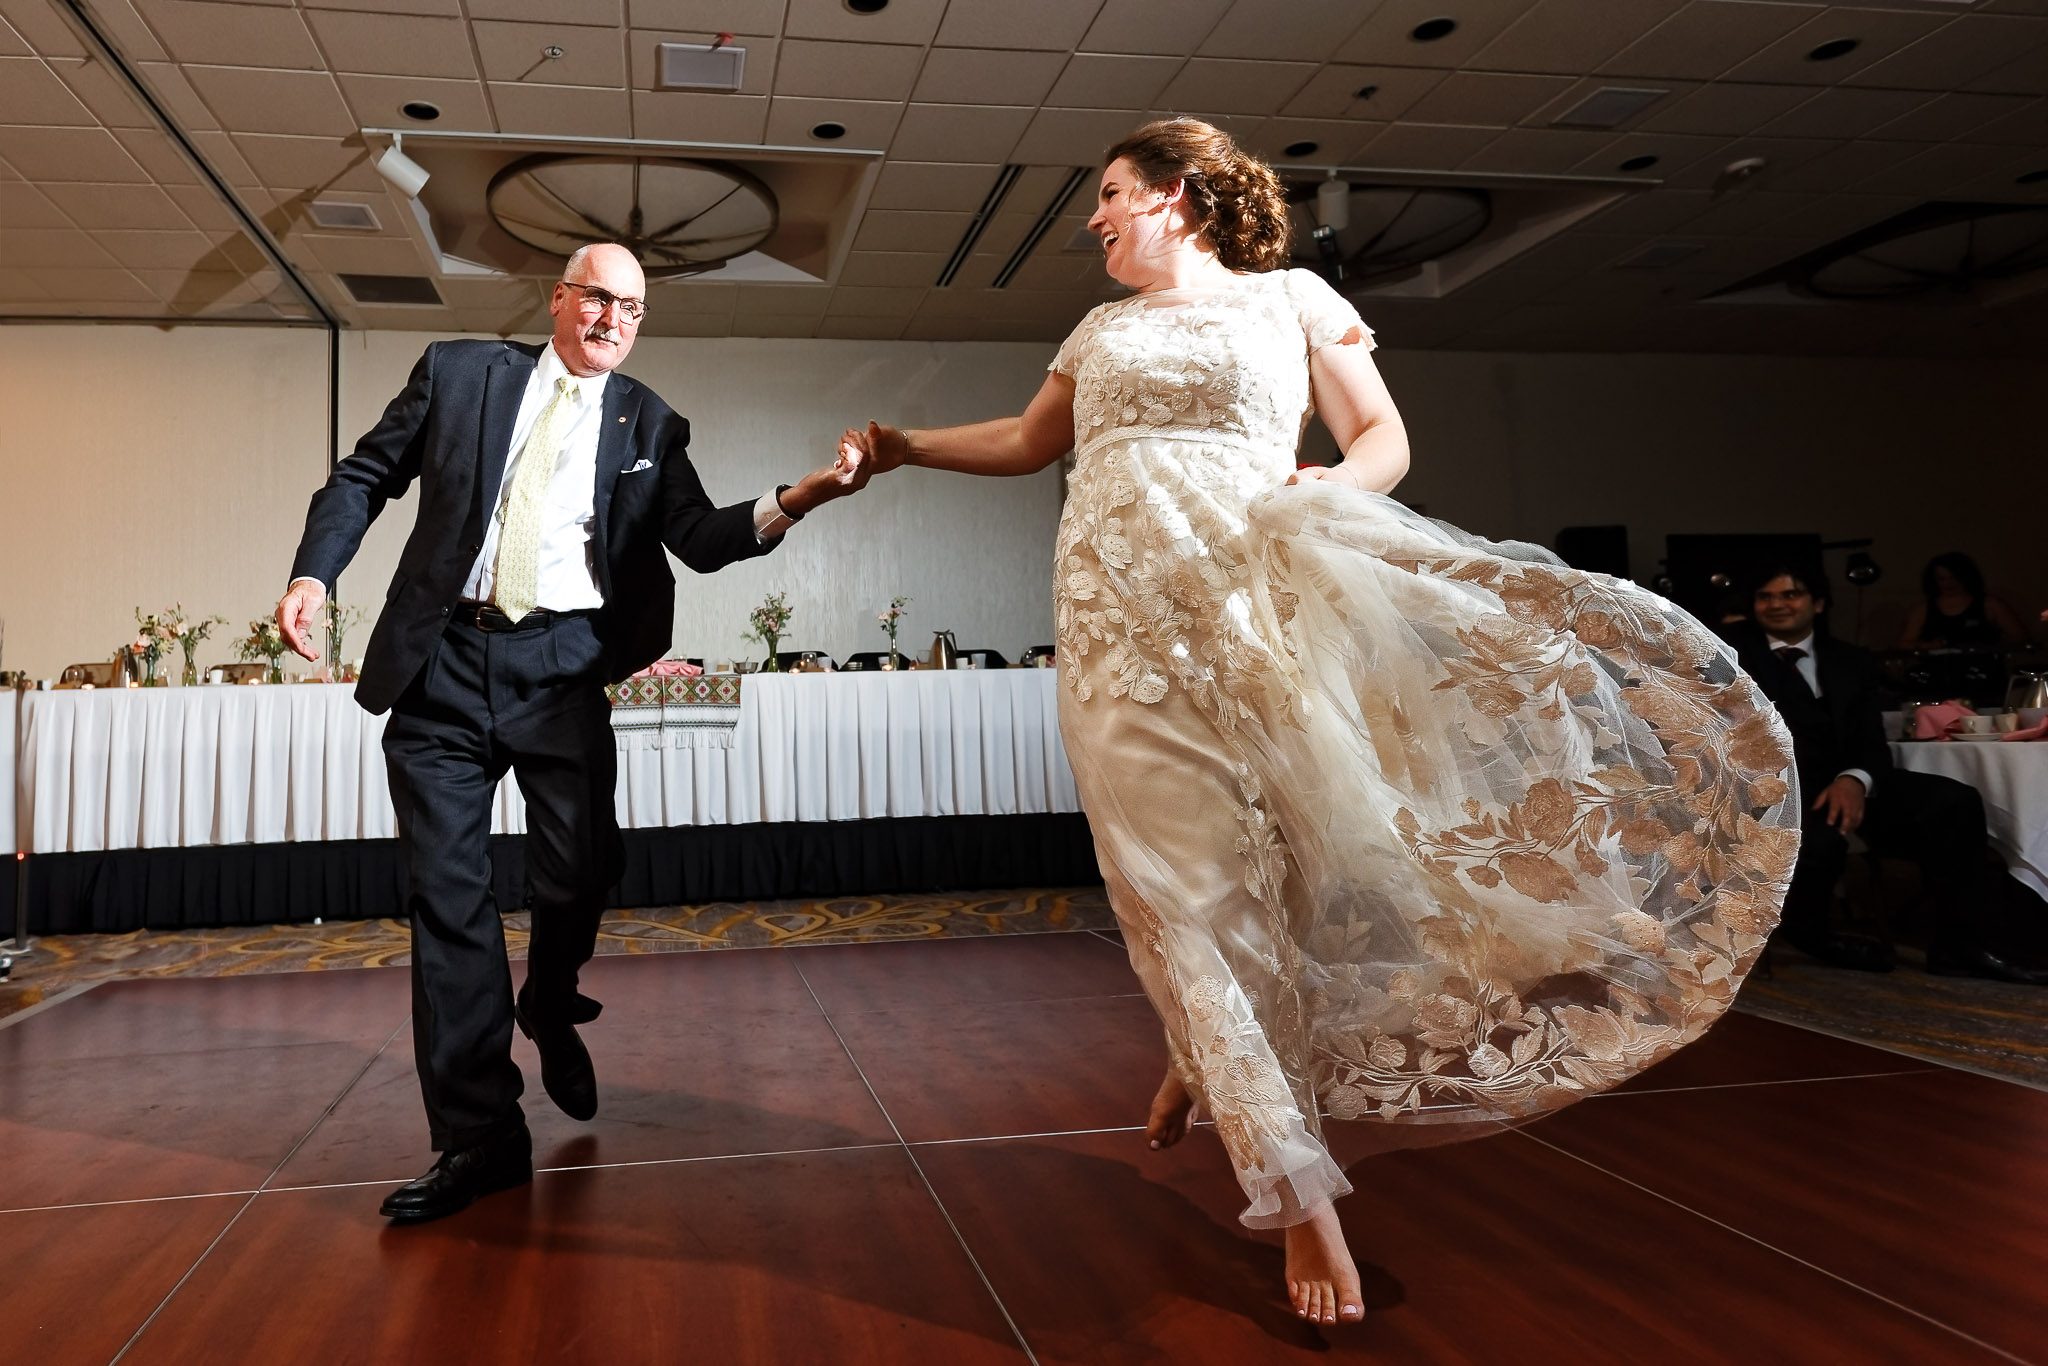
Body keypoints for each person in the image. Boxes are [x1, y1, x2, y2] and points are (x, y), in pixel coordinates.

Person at [838, 118, 1800, 1326]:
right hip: (1119, 635)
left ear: (1178, 197)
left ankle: (1206, 1051)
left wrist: (1329, 485)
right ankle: (1303, 1206)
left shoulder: (1291, 299)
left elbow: (1382, 440)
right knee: (1187, 892)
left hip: (1257, 609)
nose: (1092, 218)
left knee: (1293, 871)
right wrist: (901, 448)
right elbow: (1034, 443)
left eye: (1111, 194)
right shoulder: (1100, 330)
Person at [277, 243, 873, 1224]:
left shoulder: (645, 418)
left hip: (560, 670)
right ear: (557, 297)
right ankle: (479, 1138)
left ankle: (549, 1000)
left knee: (580, 869)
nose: (611, 320)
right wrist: (313, 574)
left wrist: (804, 493)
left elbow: (703, 538)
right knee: (449, 904)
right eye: (597, 296)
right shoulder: (459, 372)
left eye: (631, 308)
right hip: (442, 667)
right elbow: (364, 476)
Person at [1736, 566, 2048, 984]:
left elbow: (1871, 740)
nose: (1777, 604)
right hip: (1776, 791)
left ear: (1818, 603)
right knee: (1818, 842)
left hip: (1850, 782)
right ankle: (1814, 935)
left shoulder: (1851, 659)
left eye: (1790, 594)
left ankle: (1961, 945)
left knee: (1953, 801)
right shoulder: (1732, 658)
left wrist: (1855, 780)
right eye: (1765, 597)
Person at [1897, 552, 2027, 648]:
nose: (1948, 584)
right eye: (1942, 579)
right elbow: (1904, 644)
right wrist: (1927, 645)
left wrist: (1988, 644)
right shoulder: (1922, 609)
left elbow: (2020, 638)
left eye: (1954, 578)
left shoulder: (1991, 605)